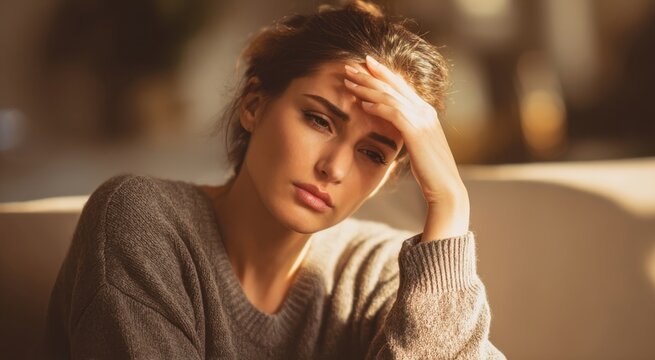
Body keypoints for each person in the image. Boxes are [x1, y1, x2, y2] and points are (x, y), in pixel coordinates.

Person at [46, 1, 505, 358]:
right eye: (319, 120)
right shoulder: (142, 222)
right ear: (254, 105)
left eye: (372, 153)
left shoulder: (380, 276)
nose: (335, 168)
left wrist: (450, 205)